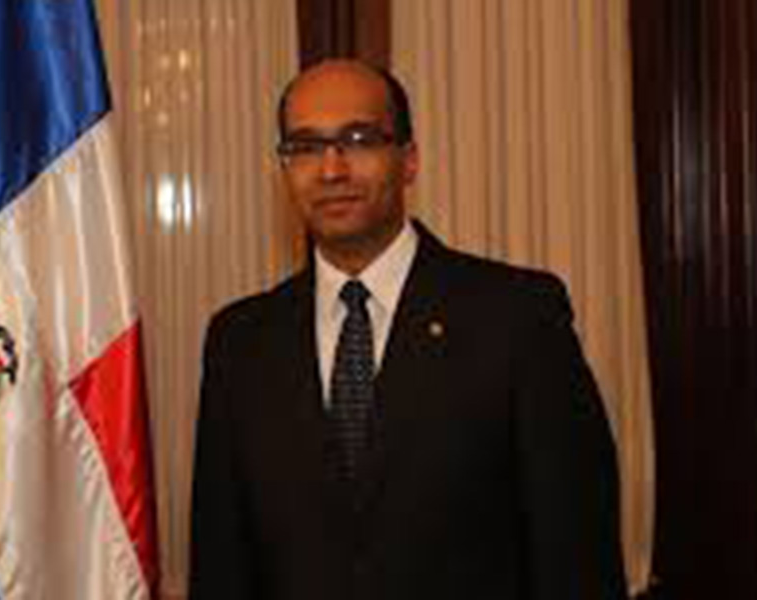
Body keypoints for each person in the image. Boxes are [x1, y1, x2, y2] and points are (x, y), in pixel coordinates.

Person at [190, 58, 627, 600]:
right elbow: (222, 563)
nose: (331, 169)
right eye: (305, 147)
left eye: (359, 139)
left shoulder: (517, 319)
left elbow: (577, 554)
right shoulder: (240, 343)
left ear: (409, 159)